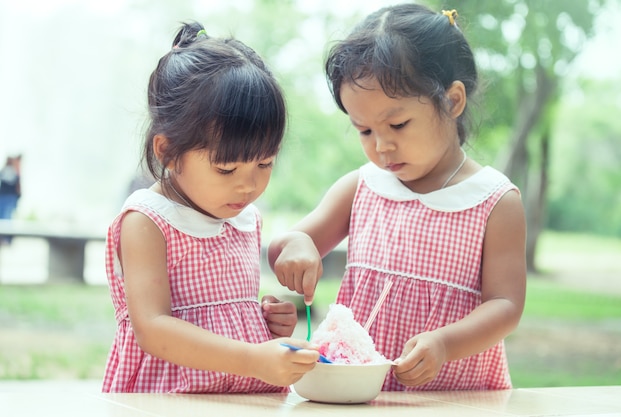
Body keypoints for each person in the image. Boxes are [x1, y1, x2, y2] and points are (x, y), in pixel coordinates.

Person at [268, 4, 526, 391]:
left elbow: (505, 306)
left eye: (398, 124)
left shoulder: (494, 201)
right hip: (357, 393)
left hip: (457, 398)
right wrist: (298, 245)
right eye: (364, 130)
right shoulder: (363, 186)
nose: (382, 146)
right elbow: (282, 248)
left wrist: (444, 343)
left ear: (453, 101)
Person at [102, 22, 319, 394]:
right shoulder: (147, 221)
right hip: (172, 398)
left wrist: (264, 321)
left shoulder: (243, 217)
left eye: (264, 164)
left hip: (246, 394)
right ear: (168, 152)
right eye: (226, 168)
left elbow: (225, 310)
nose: (248, 185)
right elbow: (153, 329)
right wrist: (253, 358)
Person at [0, 155, 22, 244]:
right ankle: (5, 238)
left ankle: (6, 238)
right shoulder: (11, 171)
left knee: (6, 217)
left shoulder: (12, 171)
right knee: (6, 217)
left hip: (8, 198)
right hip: (7, 198)